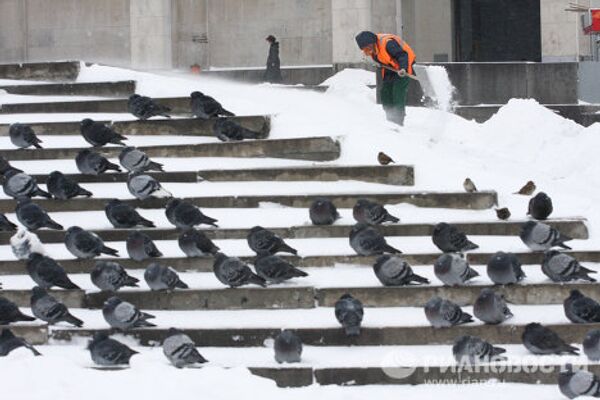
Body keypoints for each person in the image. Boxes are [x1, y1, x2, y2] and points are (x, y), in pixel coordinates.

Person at [355, 31, 416, 126]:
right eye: (364, 49)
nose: (367, 51)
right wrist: (379, 64)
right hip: (390, 67)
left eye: (368, 47)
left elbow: (402, 55)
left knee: (398, 93)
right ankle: (390, 119)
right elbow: (382, 58)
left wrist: (403, 68)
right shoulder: (373, 49)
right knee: (385, 93)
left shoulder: (388, 44)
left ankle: (398, 122)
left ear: (372, 43)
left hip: (403, 66)